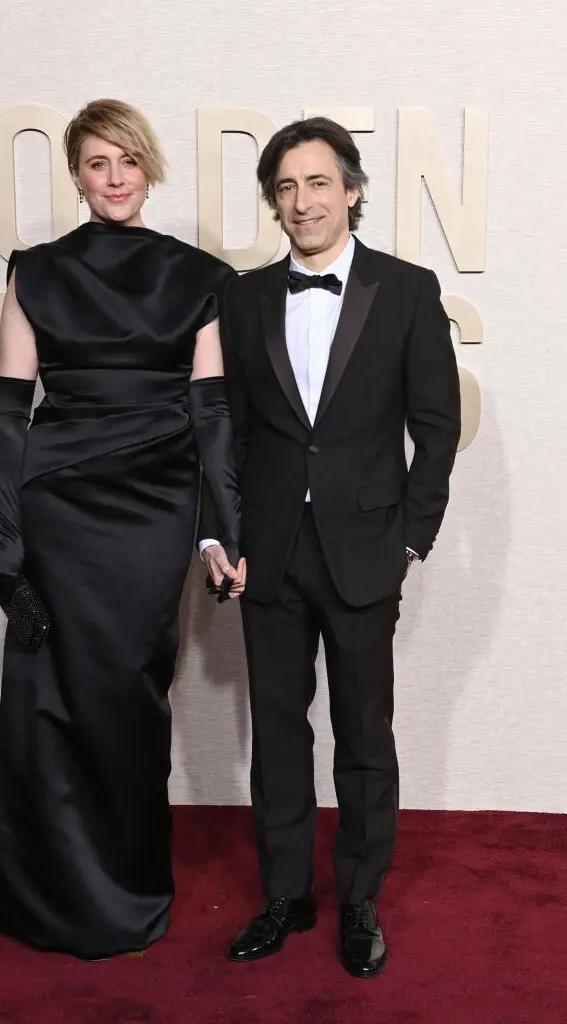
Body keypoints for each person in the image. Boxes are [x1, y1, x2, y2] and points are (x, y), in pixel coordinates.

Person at [0, 98, 244, 960]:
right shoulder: (36, 270)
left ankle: (124, 886)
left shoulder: (201, 275)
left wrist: (221, 530)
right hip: (58, 505)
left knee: (130, 693)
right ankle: (47, 895)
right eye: (97, 162)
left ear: (149, 165)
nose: (115, 176)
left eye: (127, 159)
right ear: (77, 176)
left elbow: (213, 417)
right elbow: (12, 414)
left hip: (153, 508)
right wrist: (6, 534)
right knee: (47, 696)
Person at [200, 117, 461, 976]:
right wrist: (220, 533)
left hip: (364, 552)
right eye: (285, 187)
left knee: (362, 735)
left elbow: (435, 422)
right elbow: (224, 428)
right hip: (267, 554)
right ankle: (283, 896)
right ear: (274, 203)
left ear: (350, 190)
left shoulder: (408, 289)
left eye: (316, 183)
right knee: (278, 736)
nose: (301, 201)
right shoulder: (240, 299)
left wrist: (410, 542)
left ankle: (358, 901)